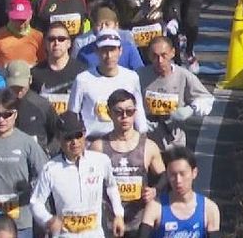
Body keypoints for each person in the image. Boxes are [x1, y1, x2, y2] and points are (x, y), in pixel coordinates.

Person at [29, 111, 126, 238]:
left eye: (78, 135)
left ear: (84, 134)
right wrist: (48, 220)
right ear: (59, 138)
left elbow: (111, 187)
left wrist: (118, 214)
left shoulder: (101, 161)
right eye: (68, 138)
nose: (74, 142)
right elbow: (36, 202)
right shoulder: (50, 168)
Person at [0, 88, 46, 237]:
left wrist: (32, 193)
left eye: (7, 115)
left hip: (21, 223)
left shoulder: (27, 143)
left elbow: (46, 175)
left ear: (16, 114)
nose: (1, 120)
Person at [89, 89, 166, 234]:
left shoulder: (149, 146)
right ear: (109, 113)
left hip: (139, 222)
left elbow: (165, 175)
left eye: (129, 111)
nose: (124, 116)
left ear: (135, 112)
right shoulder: (98, 147)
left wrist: (155, 190)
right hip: (107, 223)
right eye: (119, 112)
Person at [136, 36, 214, 149]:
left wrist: (191, 109)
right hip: (147, 142)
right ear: (149, 56)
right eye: (155, 56)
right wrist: (139, 120)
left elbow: (206, 99)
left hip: (174, 142)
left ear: (172, 53)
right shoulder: (139, 76)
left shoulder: (184, 76)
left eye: (164, 55)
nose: (160, 61)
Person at [68, 29, 147, 140]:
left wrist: (143, 135)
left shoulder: (131, 77)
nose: (109, 55)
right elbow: (73, 114)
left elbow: (138, 109)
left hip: (124, 139)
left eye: (113, 50)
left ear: (120, 51)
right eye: (104, 50)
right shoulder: (82, 79)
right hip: (92, 140)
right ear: (96, 51)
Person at [138, 147, 220, 236]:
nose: (178, 180)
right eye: (173, 175)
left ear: (194, 173)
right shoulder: (155, 207)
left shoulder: (209, 209)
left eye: (183, 174)